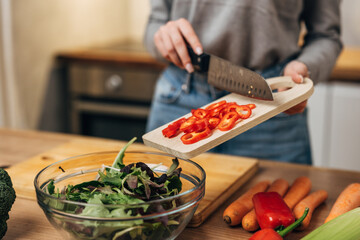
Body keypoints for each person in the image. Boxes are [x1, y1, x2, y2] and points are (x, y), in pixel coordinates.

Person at [143, 0, 342, 165]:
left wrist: (304, 67)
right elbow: (155, 24)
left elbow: (326, 36)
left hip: (271, 104)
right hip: (180, 97)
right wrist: (162, 37)